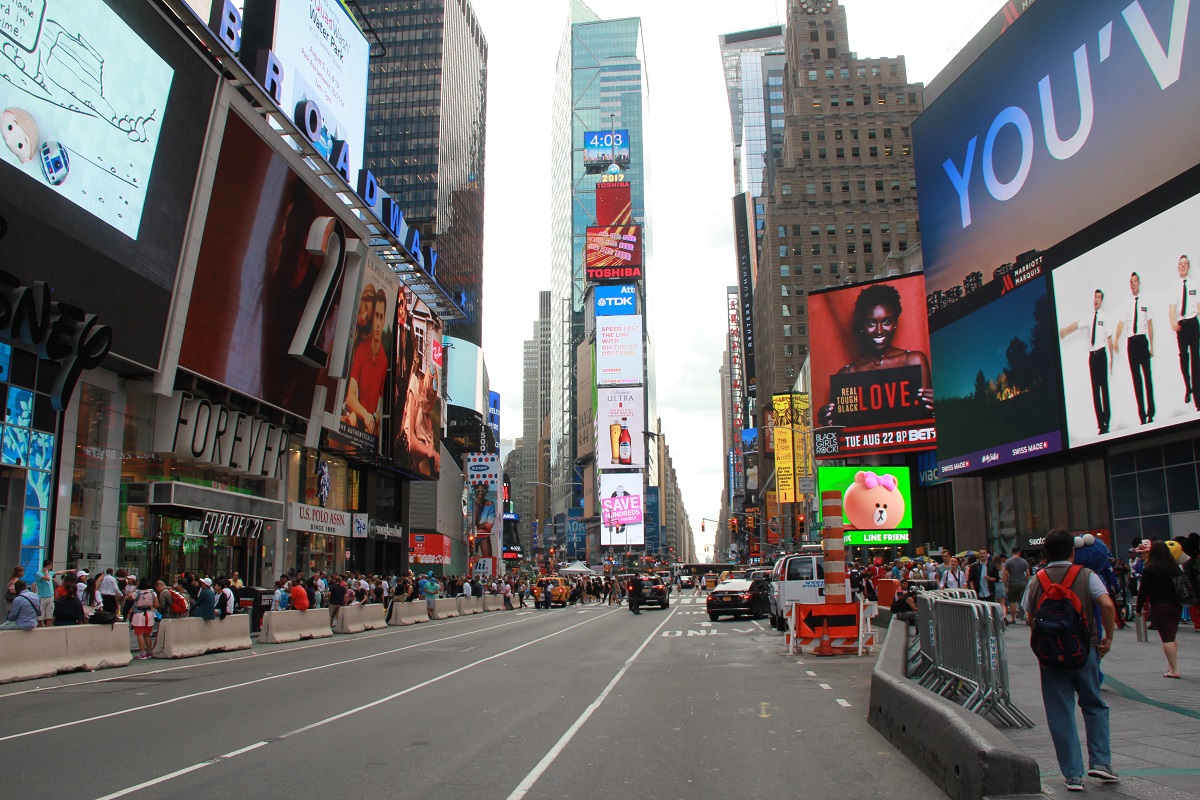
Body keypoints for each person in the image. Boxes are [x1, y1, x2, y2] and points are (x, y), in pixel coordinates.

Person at [1022, 527, 1117, 791]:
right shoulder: (1086, 575)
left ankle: (1073, 774)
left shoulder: (1037, 579)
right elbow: (1107, 605)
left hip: (1050, 656)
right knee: (1094, 704)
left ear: (1045, 553)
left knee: (1060, 711)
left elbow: (1029, 614)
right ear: (1073, 552)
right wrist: (1108, 638)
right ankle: (1101, 762)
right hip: (1084, 650)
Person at [818, 283, 935, 426]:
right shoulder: (847, 374)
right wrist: (830, 421)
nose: (879, 331)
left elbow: (926, 420)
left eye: (886, 321)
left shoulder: (914, 361)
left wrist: (938, 407)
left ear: (895, 322)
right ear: (862, 325)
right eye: (871, 323)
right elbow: (846, 428)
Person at [1060, 289, 1115, 434]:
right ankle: (1100, 425)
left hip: (1102, 355)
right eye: (1095, 297)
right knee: (1095, 391)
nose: (1096, 299)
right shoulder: (1089, 317)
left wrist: (1111, 359)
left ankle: (1106, 421)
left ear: (1101, 300)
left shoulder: (1105, 318)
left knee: (1104, 389)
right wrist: (1063, 331)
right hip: (1092, 357)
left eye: (1098, 297)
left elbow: (1109, 339)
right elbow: (1076, 325)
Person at [342, 287, 388, 434]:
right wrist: (366, 415)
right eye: (376, 317)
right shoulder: (361, 349)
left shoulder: (384, 361)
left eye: (381, 317)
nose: (378, 323)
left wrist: (375, 419)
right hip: (355, 423)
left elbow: (384, 406)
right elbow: (350, 396)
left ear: (384, 320)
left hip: (370, 433)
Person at [1136, 540, 1185, 678]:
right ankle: (1171, 665)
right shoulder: (1175, 568)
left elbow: (1143, 591)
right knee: (1172, 634)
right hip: (1176, 605)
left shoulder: (1150, 569)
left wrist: (1139, 608)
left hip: (1159, 605)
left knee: (1166, 637)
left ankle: (1174, 669)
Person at [1114, 272, 1155, 425]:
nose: (1133, 284)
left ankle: (1151, 412)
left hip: (1143, 341)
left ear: (1139, 283)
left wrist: (1151, 345)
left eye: (1135, 281)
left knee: (1147, 378)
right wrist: (1116, 340)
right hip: (1131, 343)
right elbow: (1120, 324)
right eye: (1131, 282)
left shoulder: (1146, 301)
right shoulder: (1126, 304)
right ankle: (1142, 416)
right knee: (1136, 380)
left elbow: (1149, 324)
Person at [1168, 255, 1200, 410]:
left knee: (1196, 360)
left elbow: (1199, 306)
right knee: (1184, 358)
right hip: (1181, 326)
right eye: (1180, 264)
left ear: (1188, 266)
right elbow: (1172, 308)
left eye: (1185, 264)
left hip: (1193, 323)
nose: (1182, 266)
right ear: (1177, 267)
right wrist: (1173, 323)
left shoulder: (1195, 284)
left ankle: (1198, 398)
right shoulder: (1174, 287)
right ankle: (1188, 386)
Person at [129, 578, 158, 659]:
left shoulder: (137, 593)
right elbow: (156, 604)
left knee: (140, 634)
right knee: (147, 634)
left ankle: (142, 653)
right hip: (149, 614)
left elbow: (129, 597)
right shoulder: (152, 592)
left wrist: (135, 588)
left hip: (139, 615)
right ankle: (149, 651)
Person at [1005, 550, 1030, 623]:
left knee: (1012, 601)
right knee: (1023, 600)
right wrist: (1025, 580)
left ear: (1012, 552)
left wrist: (1005, 583)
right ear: (1019, 552)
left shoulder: (1008, 562)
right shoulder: (1024, 561)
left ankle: (1013, 619)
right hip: (1022, 583)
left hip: (1012, 583)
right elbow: (1028, 573)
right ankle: (1027, 617)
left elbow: (1005, 574)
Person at [34, 560, 55, 627]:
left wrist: (69, 571)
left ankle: (47, 628)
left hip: (50, 596)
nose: (51, 567)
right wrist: (46, 572)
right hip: (42, 597)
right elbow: (48, 578)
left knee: (49, 615)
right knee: (40, 616)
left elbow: (59, 572)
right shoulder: (39, 573)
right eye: (50, 566)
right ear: (47, 566)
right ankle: (40, 628)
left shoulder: (50, 573)